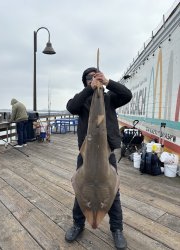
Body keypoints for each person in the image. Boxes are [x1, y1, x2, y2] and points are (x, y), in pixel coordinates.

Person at [65, 67, 132, 249]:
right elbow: (70, 107)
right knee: (81, 188)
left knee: (112, 189)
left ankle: (117, 229)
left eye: (96, 76)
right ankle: (78, 224)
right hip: (85, 153)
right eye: (89, 77)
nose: (93, 79)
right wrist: (89, 88)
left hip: (107, 152)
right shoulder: (82, 99)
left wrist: (108, 83)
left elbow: (127, 95)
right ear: (85, 81)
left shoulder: (109, 98)